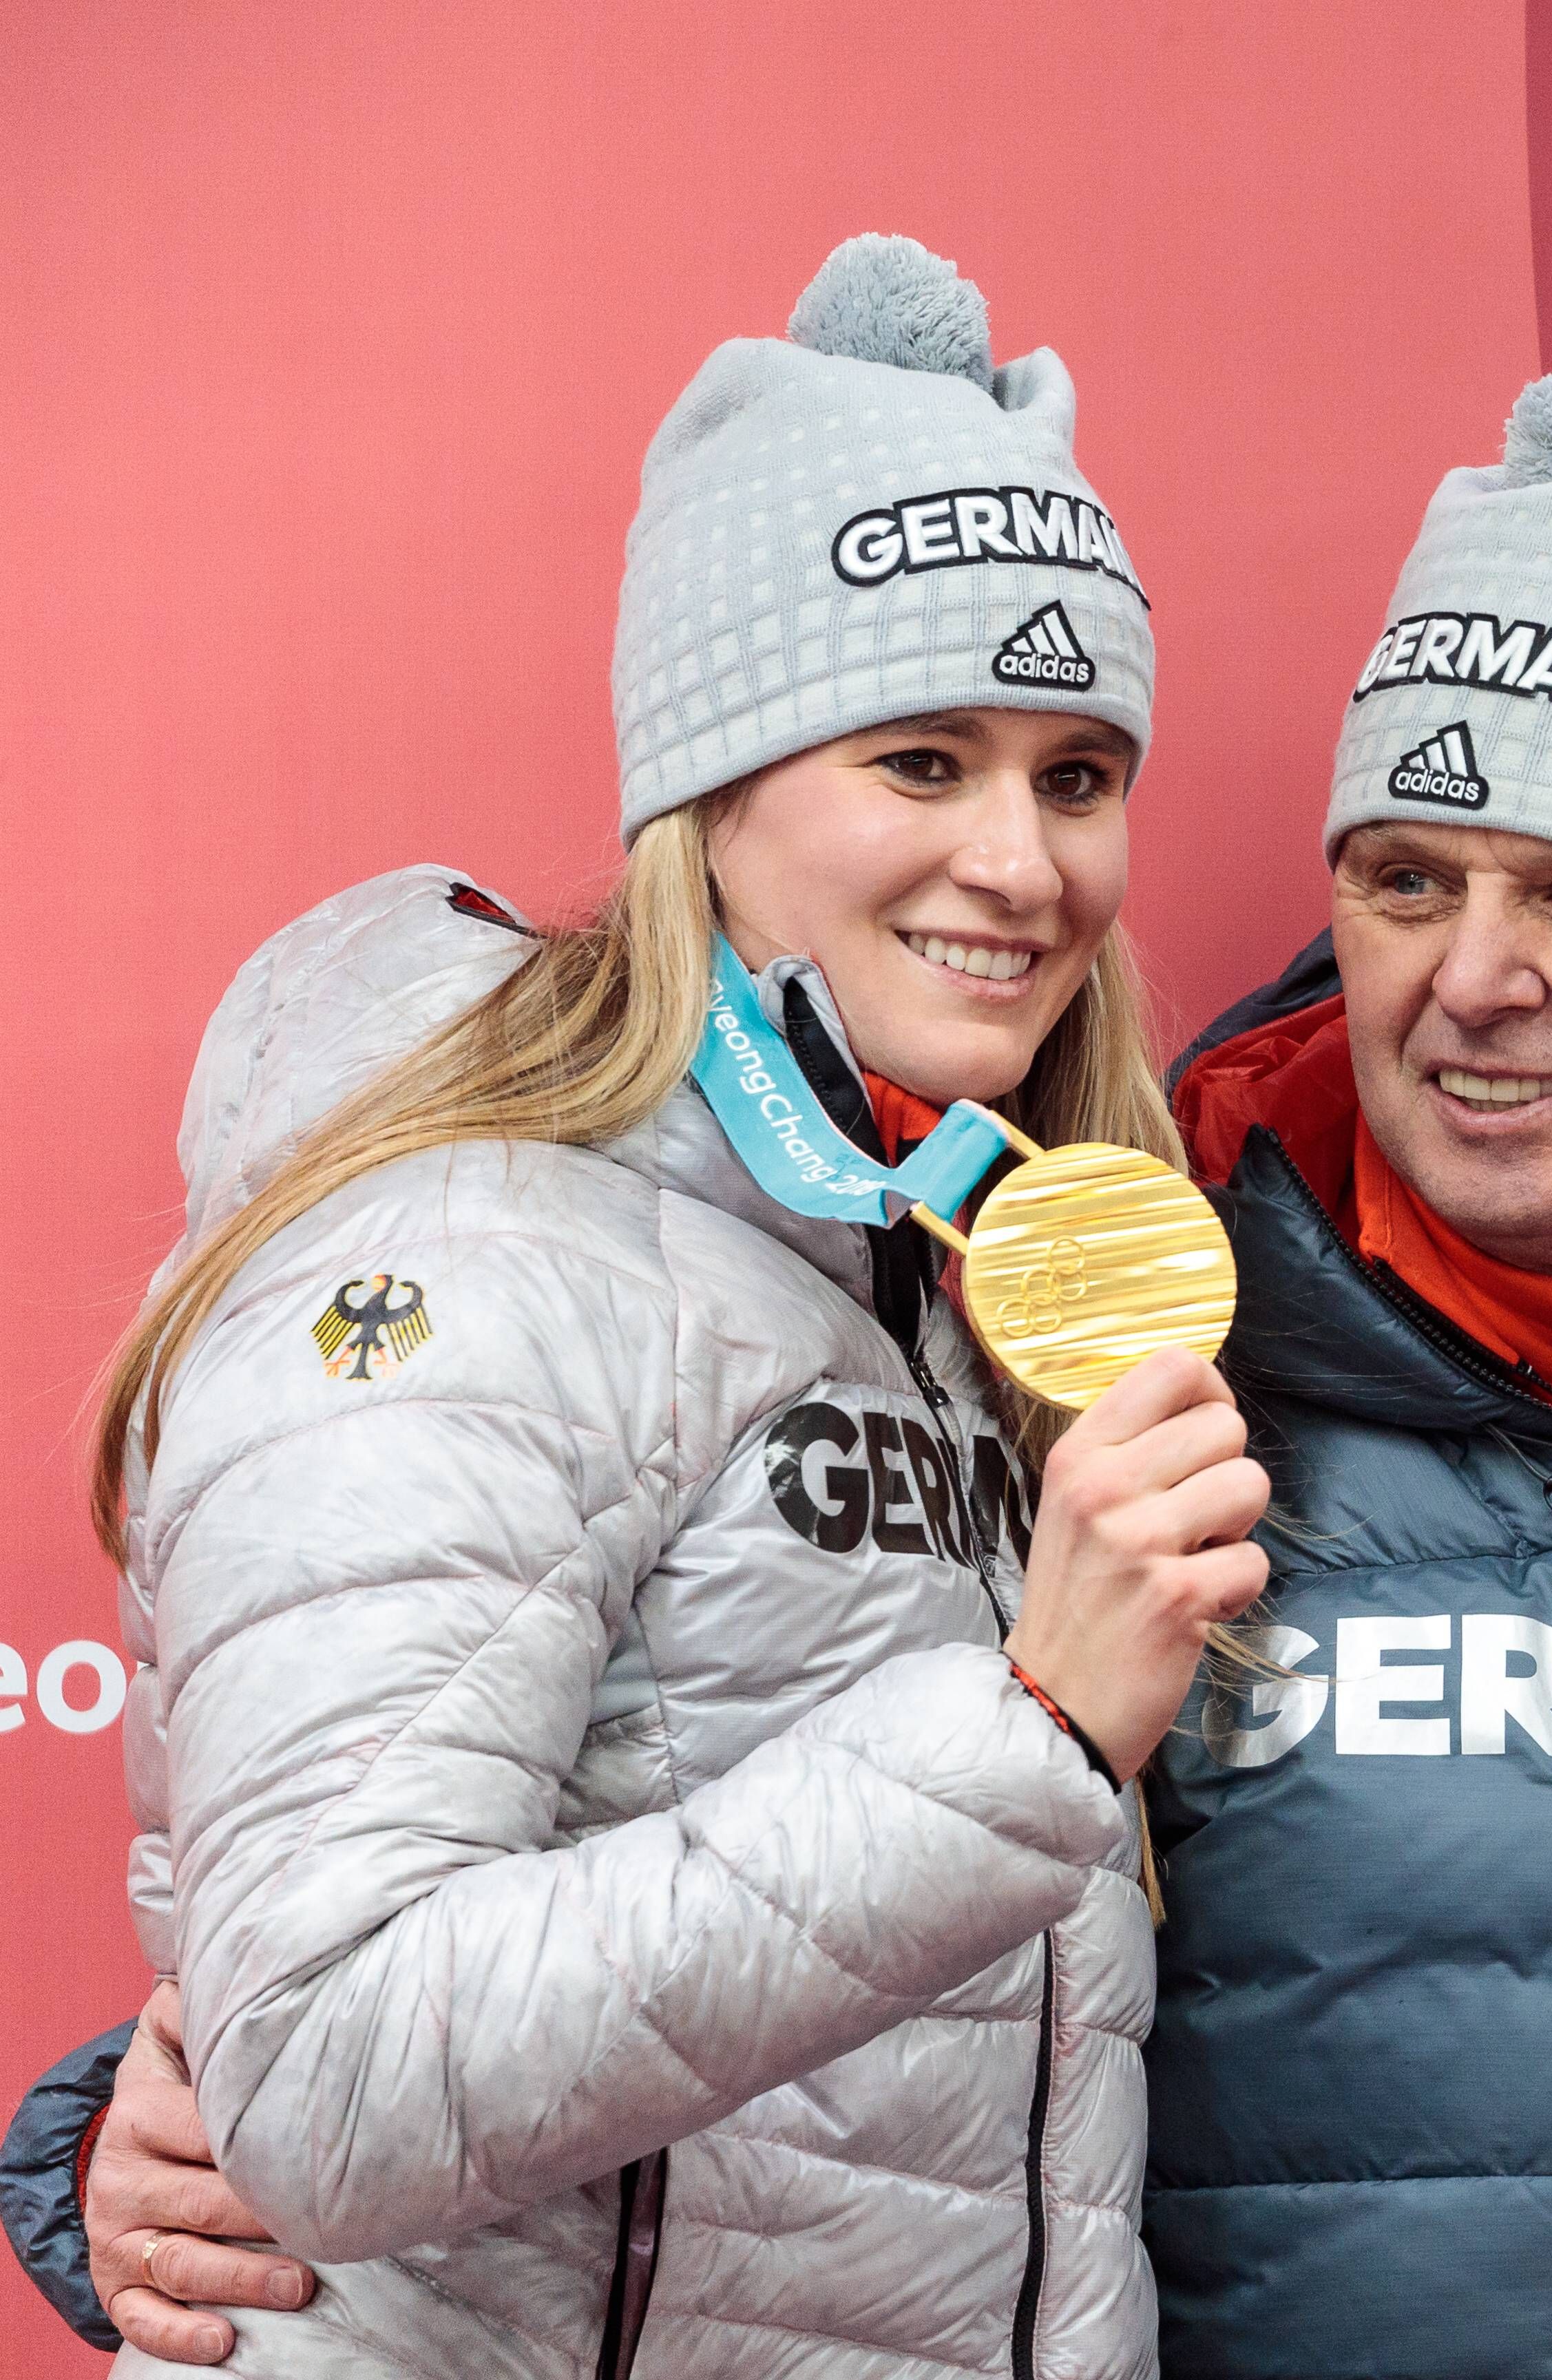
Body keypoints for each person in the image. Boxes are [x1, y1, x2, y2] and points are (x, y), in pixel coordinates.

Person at [14, 351, 1552, 2377]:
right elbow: (457, 1947)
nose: (1472, 979)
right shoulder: (1132, 1350)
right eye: (1405, 876)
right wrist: (131, 2138)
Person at [0, 237, 1268, 2374]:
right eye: (921, 758)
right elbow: (325, 2072)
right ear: (717, 781)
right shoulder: (466, 1243)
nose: (1024, 863)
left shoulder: (962, 1275)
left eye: (1076, 774)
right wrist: (1028, 1734)